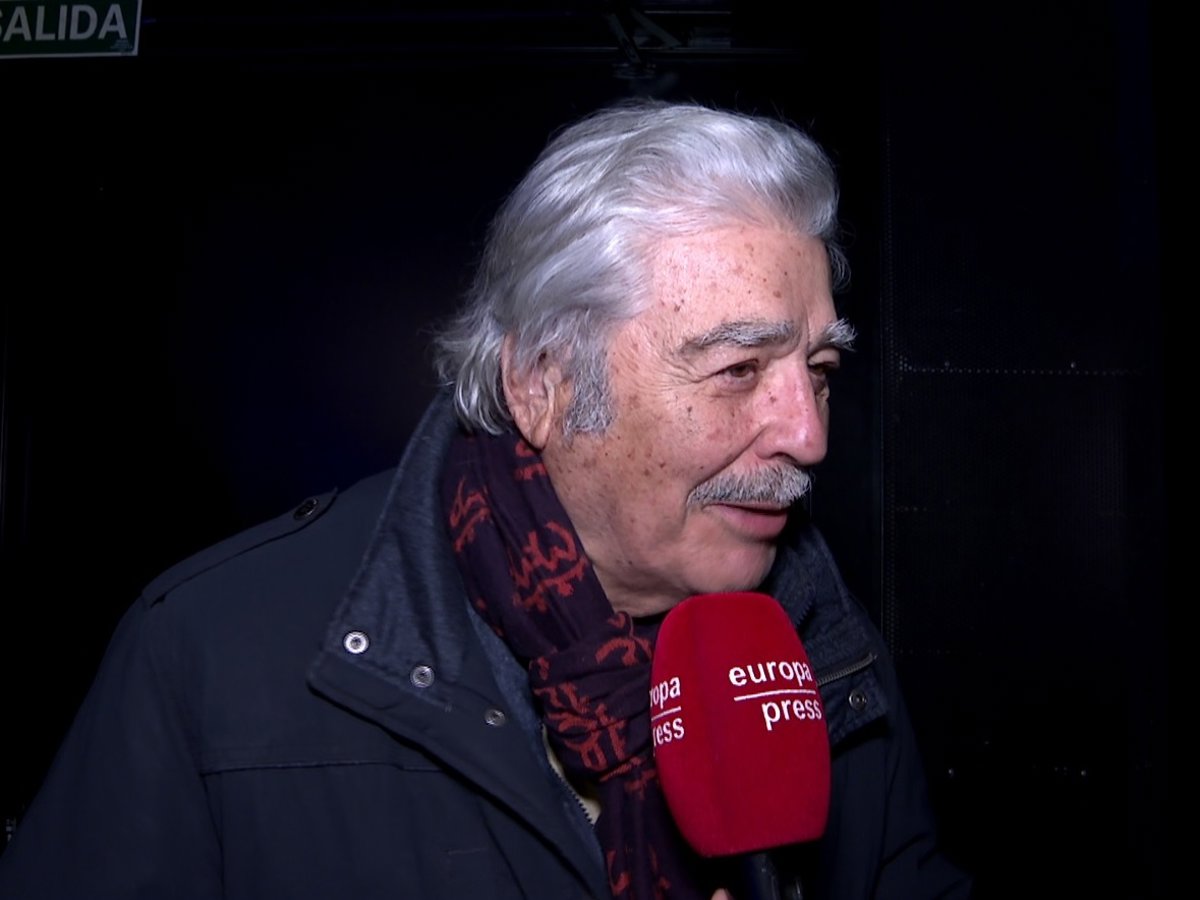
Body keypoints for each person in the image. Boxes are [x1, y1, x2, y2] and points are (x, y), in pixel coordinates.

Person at [0, 98, 970, 900]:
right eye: (738, 369)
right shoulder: (205, 658)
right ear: (542, 384)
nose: (808, 436)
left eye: (819, 370)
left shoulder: (825, 646)